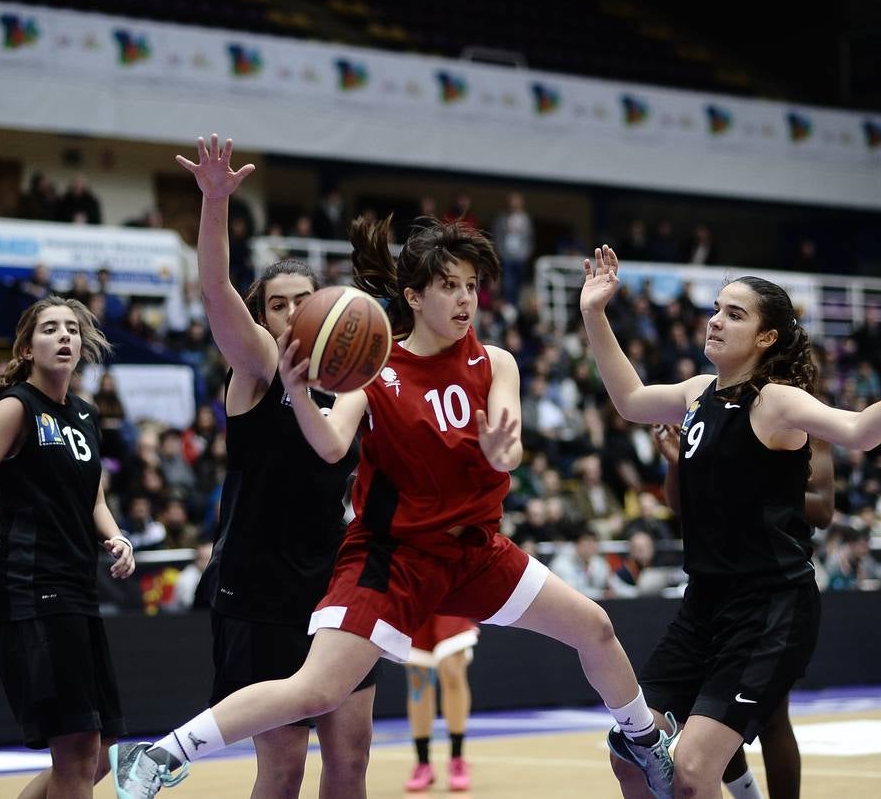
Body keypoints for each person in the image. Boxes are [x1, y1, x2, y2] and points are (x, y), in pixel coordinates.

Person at [111, 140, 676, 799]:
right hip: (392, 558)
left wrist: (502, 453)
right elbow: (328, 446)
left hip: (475, 550)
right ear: (412, 294)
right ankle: (159, 755)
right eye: (449, 287)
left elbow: (510, 446)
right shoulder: (373, 372)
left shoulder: (497, 361)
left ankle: (640, 738)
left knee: (596, 627)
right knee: (315, 692)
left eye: (472, 286)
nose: (466, 300)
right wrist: (296, 390)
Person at [579, 244, 881, 798]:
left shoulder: (777, 402)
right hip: (703, 605)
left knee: (693, 772)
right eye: (716, 308)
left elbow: (856, 431)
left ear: (766, 337)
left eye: (735, 313)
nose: (716, 320)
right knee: (629, 757)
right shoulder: (696, 393)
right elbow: (630, 399)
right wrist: (594, 313)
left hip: (770, 607)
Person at [164, 135, 375, 799]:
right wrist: (215, 204)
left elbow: (344, 453)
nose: (293, 312)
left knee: (350, 760)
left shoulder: (352, 382)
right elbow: (214, 287)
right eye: (280, 303)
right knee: (282, 768)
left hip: (334, 586)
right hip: (257, 592)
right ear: (265, 315)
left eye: (304, 299)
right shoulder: (257, 365)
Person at [0, 296, 137, 799]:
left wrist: (115, 535)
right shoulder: (15, 407)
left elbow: (93, 495)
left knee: (96, 754)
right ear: (28, 348)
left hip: (76, 588)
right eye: (50, 329)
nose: (65, 336)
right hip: (32, 590)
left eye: (72, 328)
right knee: (76, 753)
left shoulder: (86, 415)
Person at [653, 422, 835, 799]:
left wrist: (748, 485)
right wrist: (678, 464)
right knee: (710, 715)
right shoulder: (714, 421)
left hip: (769, 590)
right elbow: (678, 504)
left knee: (772, 718)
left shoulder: (803, 421)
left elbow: (824, 508)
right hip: (712, 590)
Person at [403, 615, 478, 792]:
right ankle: (423, 763)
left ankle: (457, 758)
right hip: (416, 594)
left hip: (449, 593)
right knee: (417, 679)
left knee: (452, 672)